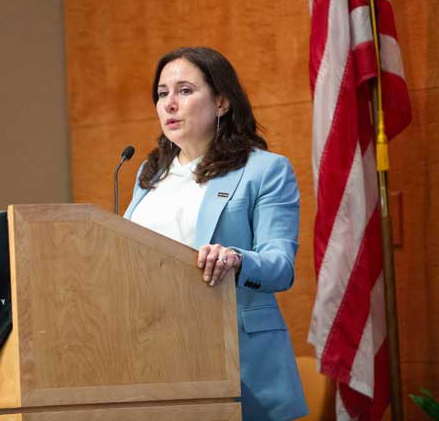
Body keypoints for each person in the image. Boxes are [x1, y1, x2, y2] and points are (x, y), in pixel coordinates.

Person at [124, 47, 308, 421]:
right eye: (162, 94)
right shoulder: (149, 175)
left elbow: (280, 266)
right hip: (153, 358)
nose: (169, 104)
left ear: (222, 102)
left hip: (234, 362)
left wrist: (236, 259)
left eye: (185, 91)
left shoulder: (264, 171)